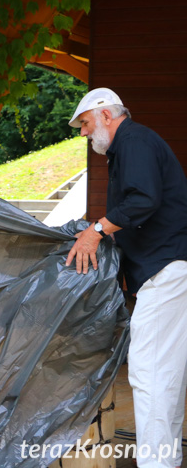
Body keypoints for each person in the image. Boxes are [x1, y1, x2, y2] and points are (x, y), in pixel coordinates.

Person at [66, 88, 187, 468]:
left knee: (148, 370)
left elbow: (142, 200)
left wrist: (96, 230)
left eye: (84, 123)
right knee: (166, 373)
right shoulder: (131, 145)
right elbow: (143, 207)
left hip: (164, 268)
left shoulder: (132, 140)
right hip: (170, 265)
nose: (84, 133)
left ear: (105, 114)